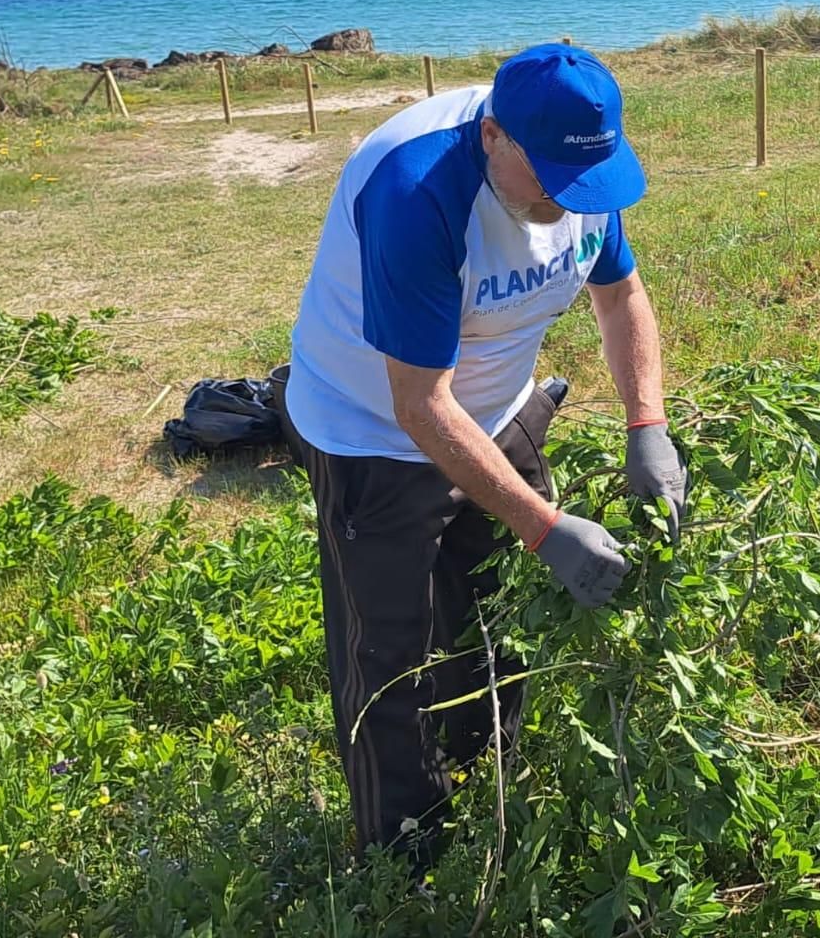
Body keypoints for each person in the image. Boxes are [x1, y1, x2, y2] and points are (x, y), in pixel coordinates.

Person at [282, 43, 688, 868]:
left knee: (496, 618)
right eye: (551, 183)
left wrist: (647, 422)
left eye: (586, 185)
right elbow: (420, 407)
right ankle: (403, 860)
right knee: (390, 653)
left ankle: (482, 789)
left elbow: (620, 295)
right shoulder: (417, 193)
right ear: (495, 134)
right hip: (374, 432)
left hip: (498, 408)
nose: (567, 204)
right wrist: (546, 527)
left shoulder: (572, 159)